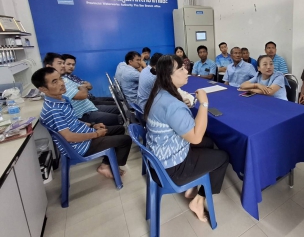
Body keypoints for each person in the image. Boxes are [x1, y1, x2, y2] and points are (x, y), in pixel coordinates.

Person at [144, 55, 229, 222]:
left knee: (210, 142)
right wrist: (204, 103)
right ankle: (199, 200)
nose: (186, 71)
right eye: (181, 69)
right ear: (169, 75)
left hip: (160, 157)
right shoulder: (173, 104)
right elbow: (196, 138)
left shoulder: (160, 93)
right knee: (223, 156)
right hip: (172, 168)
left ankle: (192, 187)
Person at [32, 67, 132, 179]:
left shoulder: (62, 99)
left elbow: (73, 120)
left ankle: (107, 162)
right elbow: (69, 137)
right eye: (55, 82)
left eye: (60, 78)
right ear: (43, 89)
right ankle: (106, 166)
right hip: (80, 146)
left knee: (120, 129)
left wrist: (93, 125)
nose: (61, 83)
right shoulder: (53, 110)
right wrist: (96, 134)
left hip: (85, 134)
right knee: (126, 140)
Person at [44, 53, 122, 126]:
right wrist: (82, 88)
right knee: (119, 117)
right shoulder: (60, 83)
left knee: (119, 107)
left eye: (63, 63)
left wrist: (81, 88)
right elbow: (83, 94)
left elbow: (89, 86)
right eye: (60, 63)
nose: (63, 66)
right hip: (84, 113)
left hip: (88, 106)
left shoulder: (65, 78)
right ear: (49, 67)